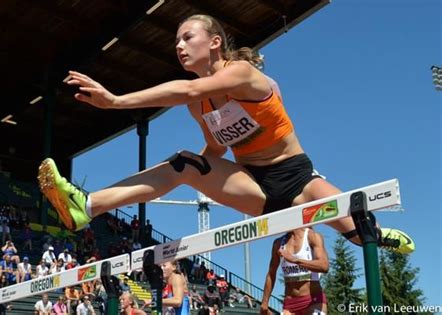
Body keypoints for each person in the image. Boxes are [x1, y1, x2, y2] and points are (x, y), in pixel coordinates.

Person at [37, 14, 413, 255]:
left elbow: (186, 90)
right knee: (184, 162)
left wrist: (116, 100)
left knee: (362, 231)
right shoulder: (199, 105)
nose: (179, 46)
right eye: (176, 43)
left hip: (299, 178)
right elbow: (216, 148)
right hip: (254, 186)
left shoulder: (242, 74)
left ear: (215, 41)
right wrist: (195, 173)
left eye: (187, 37)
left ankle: (384, 239)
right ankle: (85, 207)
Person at [261, 228, 329, 315]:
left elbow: (324, 266)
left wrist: (295, 260)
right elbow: (271, 273)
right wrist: (264, 303)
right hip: (290, 304)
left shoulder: (312, 236)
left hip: (313, 300)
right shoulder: (278, 243)